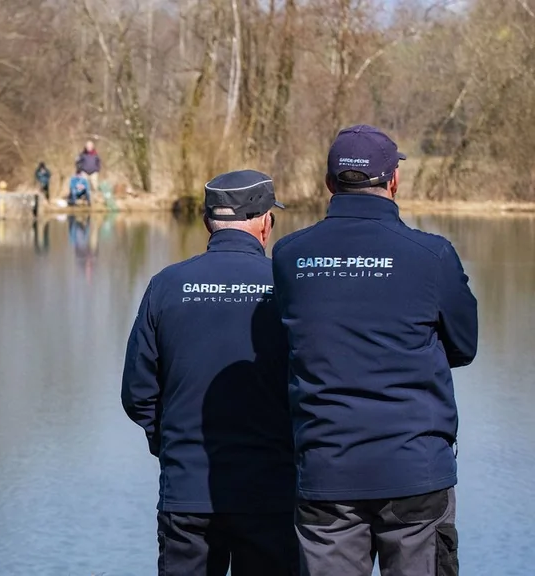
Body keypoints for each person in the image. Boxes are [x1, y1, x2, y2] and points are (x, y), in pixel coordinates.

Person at [271, 125, 479, 576]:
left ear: (329, 183)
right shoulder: (432, 255)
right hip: (415, 470)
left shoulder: (289, 255)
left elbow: (286, 344)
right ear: (393, 181)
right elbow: (464, 347)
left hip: (327, 470)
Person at [122, 170, 298, 576]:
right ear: (265, 222)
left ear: (206, 222)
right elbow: (312, 379)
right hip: (270, 491)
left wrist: (168, 443)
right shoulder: (288, 287)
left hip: (188, 490)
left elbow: (137, 391)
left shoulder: (166, 285)